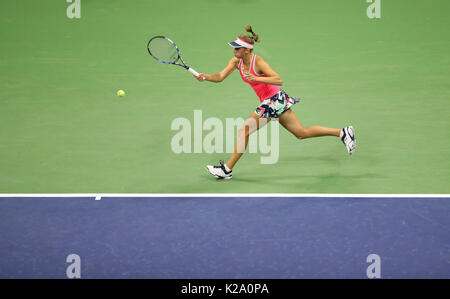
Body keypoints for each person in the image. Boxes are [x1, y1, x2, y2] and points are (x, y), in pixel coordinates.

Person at [195, 25, 356, 179]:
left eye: (237, 48)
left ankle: (226, 170)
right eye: (234, 47)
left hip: (273, 100)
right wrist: (206, 76)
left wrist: (256, 77)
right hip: (274, 101)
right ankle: (342, 132)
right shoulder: (235, 61)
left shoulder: (258, 62)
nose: (234, 50)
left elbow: (278, 80)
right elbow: (220, 77)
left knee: (244, 130)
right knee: (301, 133)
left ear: (246, 50)